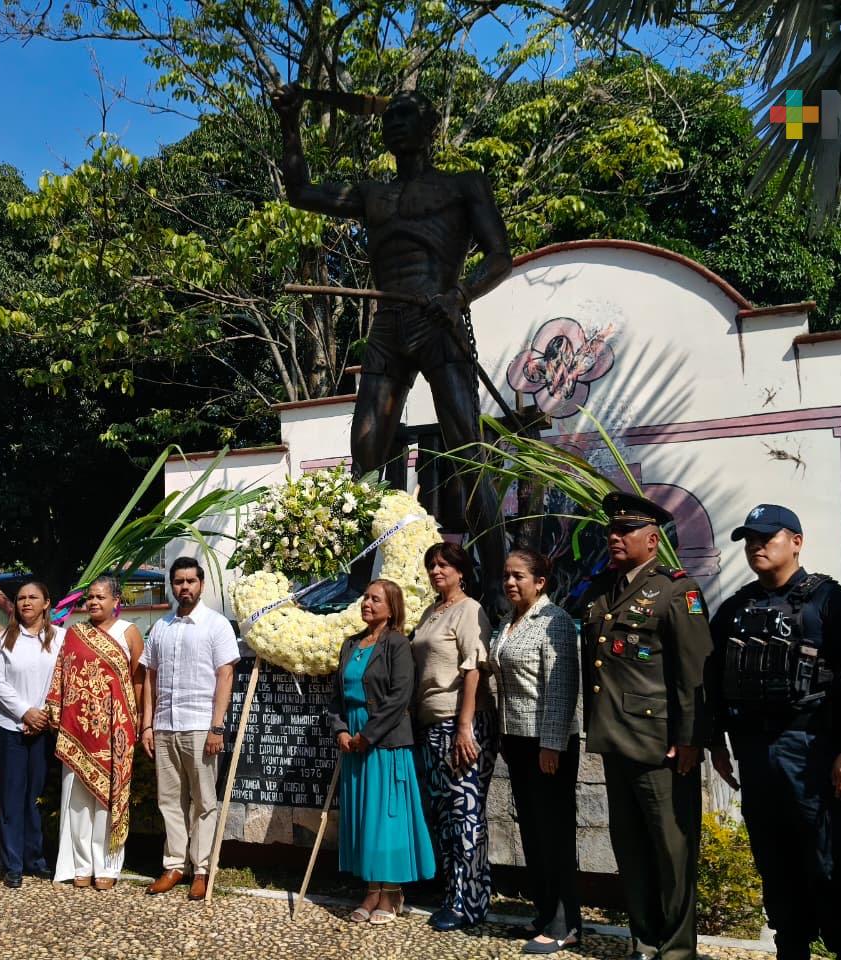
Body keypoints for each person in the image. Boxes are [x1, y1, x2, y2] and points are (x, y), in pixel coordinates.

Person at [271, 84, 513, 609]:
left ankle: (493, 581)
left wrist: (460, 294)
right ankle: (357, 582)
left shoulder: (463, 185)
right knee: (365, 454)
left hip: (438, 319)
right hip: (388, 325)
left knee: (467, 453)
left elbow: (500, 257)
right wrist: (291, 123)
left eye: (409, 115)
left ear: (430, 128)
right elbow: (301, 193)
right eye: (392, 115)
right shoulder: (372, 195)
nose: (397, 123)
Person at [707, 505, 841, 960]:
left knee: (827, 861)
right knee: (773, 860)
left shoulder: (833, 603)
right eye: (750, 540)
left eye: (768, 537)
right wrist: (716, 742)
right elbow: (712, 678)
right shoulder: (735, 608)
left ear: (797, 542)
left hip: (813, 751)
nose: (757, 546)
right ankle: (792, 947)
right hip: (754, 750)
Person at [579, 493, 711, 960]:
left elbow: (692, 673)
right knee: (630, 849)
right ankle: (645, 939)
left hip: (660, 746)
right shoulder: (601, 590)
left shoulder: (678, 590)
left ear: (652, 539)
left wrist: (691, 740)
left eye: (625, 531)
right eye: (611, 531)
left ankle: (677, 949)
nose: (613, 537)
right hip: (616, 740)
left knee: (672, 852)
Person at [488, 548, 582, 954]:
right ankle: (544, 915)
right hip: (517, 740)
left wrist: (551, 745)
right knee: (533, 833)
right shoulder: (509, 622)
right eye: (506, 575)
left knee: (555, 833)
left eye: (519, 576)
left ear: (540, 582)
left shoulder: (554, 622)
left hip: (547, 745)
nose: (510, 582)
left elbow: (561, 689)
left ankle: (565, 923)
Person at [329, 578, 435, 925]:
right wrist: (342, 730)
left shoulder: (397, 644)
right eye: (365, 596)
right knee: (363, 817)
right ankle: (372, 888)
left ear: (392, 608)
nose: (367, 603)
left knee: (385, 818)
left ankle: (391, 892)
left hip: (383, 741)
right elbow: (336, 699)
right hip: (354, 741)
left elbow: (399, 696)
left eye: (375, 599)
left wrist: (367, 735)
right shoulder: (350, 645)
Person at [409, 541, 498, 930]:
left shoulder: (469, 609)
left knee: (466, 814)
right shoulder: (432, 612)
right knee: (445, 814)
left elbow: (473, 669)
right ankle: (451, 892)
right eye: (432, 565)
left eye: (445, 565)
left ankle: (470, 902)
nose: (437, 571)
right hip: (432, 724)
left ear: (462, 571)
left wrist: (464, 727)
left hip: (460, 723)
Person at [139, 557, 238, 900]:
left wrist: (217, 726)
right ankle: (174, 865)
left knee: (204, 801)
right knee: (170, 800)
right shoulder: (161, 628)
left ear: (202, 584)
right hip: (165, 725)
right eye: (179, 581)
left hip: (200, 725)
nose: (185, 587)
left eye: (190, 581)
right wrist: (147, 725)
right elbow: (149, 677)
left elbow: (226, 675)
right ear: (172, 585)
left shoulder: (216, 625)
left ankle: (203, 869)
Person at [48, 576, 144, 891]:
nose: (93, 602)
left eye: (100, 597)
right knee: (76, 801)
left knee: (109, 797)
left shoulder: (128, 632)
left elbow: (137, 681)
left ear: (116, 600)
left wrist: (137, 720)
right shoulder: (75, 633)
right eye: (89, 597)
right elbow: (61, 675)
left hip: (114, 730)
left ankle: (107, 864)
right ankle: (80, 864)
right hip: (76, 729)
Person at [0, 580, 64, 889]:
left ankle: (35, 858)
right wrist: (25, 712)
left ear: (46, 603)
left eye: (33, 598)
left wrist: (43, 714)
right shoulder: (2, 640)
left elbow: (62, 678)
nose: (26, 603)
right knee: (11, 796)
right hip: (9, 728)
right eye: (21, 598)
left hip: (44, 728)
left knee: (35, 796)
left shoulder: (61, 638)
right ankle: (13, 864)